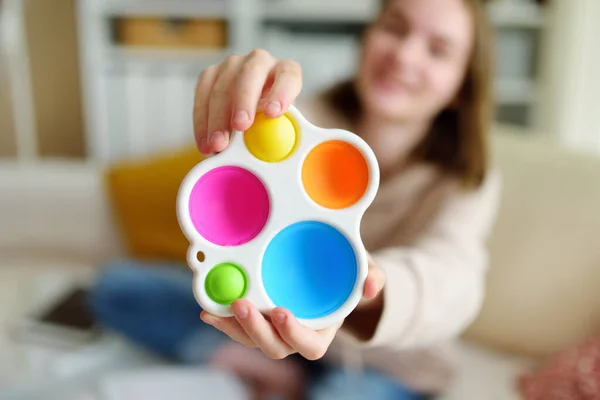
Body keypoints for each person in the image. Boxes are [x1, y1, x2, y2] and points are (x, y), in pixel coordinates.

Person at [89, 0, 501, 398]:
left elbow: (456, 279)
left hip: (387, 364)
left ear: (459, 88)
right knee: (115, 287)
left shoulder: (468, 177)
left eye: (438, 50)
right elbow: (231, 193)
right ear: (367, 36)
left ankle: (283, 379)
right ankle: (266, 369)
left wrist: (366, 289)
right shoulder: (305, 122)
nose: (405, 54)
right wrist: (245, 103)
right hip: (277, 317)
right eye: (395, 27)